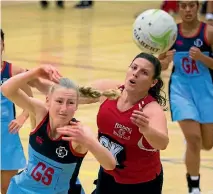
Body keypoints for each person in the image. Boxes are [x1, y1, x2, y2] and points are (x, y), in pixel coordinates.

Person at [56, 52, 169, 194]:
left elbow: (162, 143)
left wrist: (146, 129)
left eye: (144, 72)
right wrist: (39, 79)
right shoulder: (110, 90)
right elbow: (73, 96)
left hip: (141, 184)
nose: (135, 74)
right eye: (133, 68)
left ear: (153, 82)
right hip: (108, 174)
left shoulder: (151, 109)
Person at [1, 65, 116, 194]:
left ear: (77, 106)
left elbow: (110, 165)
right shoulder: (40, 114)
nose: (64, 109)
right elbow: (6, 89)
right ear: (48, 100)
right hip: (23, 189)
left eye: (70, 103)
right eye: (59, 101)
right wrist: (35, 73)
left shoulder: (78, 132)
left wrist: (90, 142)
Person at [158, 1, 213, 193]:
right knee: (194, 139)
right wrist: (165, 60)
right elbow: (161, 65)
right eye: (183, 6)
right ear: (179, 8)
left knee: (207, 144)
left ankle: (192, 138)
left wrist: (203, 58)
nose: (188, 10)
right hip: (181, 90)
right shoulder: (171, 33)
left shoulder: (208, 32)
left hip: (206, 89)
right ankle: (194, 187)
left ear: (197, 7)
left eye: (191, 6)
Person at [0, 29, 34, 194]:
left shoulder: (13, 71)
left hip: (6, 135)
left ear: (3, 45)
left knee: (6, 188)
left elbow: (30, 99)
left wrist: (22, 117)